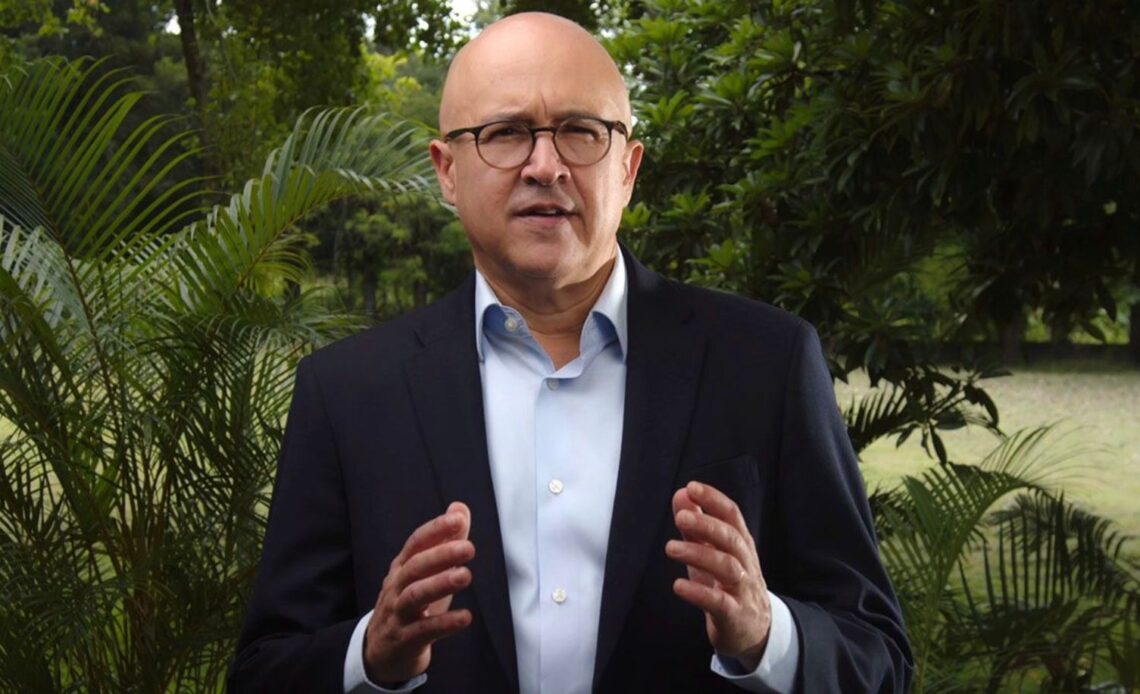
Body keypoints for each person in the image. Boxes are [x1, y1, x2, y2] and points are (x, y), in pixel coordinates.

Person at [230, 12, 912, 693]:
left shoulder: (765, 364)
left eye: (581, 131)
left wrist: (767, 636)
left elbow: (878, 656)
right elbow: (264, 670)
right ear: (447, 171)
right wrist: (370, 657)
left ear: (628, 169)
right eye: (505, 133)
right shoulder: (347, 393)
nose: (546, 166)